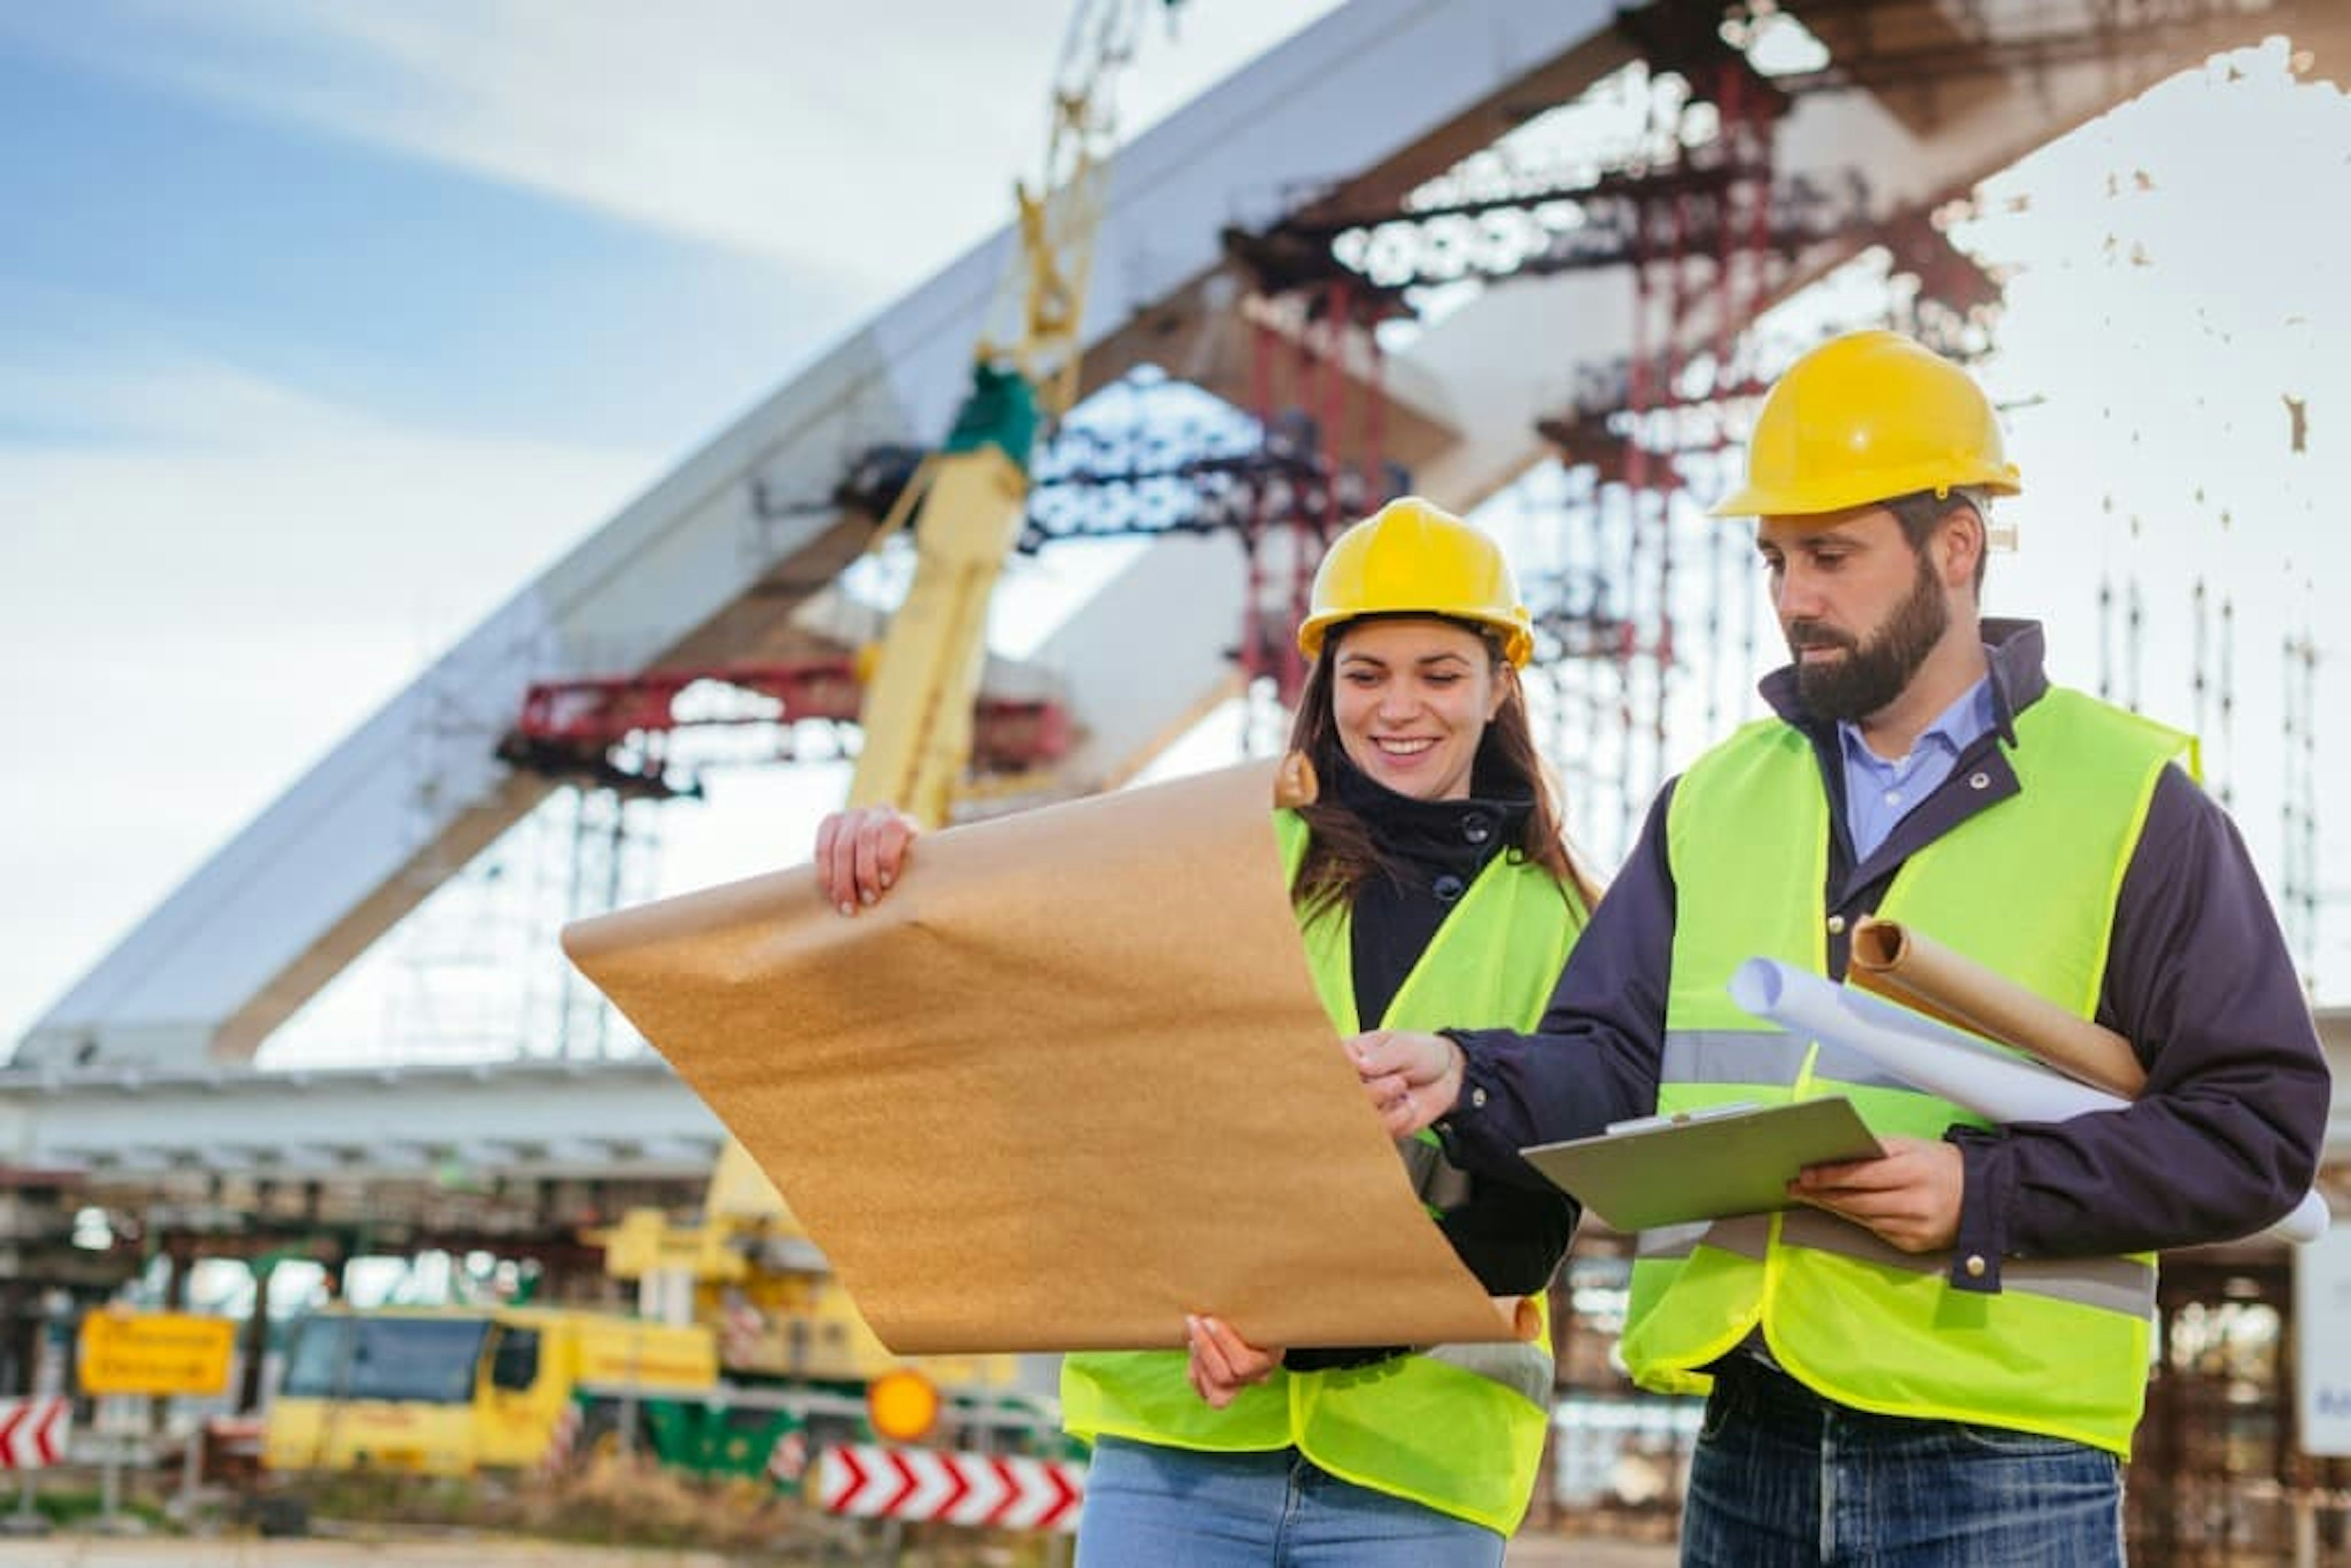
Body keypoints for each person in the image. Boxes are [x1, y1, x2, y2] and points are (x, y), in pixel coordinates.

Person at [1351, 329, 2331, 1566]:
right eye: (1773, 558)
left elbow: (2258, 1127)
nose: (1793, 596)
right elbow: (1611, 1060)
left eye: (1831, 554)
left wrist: (1987, 1194)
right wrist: (1469, 1075)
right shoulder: (1715, 800)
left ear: (1954, 547)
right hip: (1752, 1431)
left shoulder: (2132, 801)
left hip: (1997, 1455)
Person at [816, 497, 1601, 1566]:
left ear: (1500, 683)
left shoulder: (1560, 916)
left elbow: (1531, 1219)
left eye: (1440, 671)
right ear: (1325, 684)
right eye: (1366, 673)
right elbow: (1023, 963)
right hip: (1178, 1450)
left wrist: (1309, 1328)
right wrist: (911, 860)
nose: (1399, 706)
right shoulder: (1215, 848)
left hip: (1417, 1471)